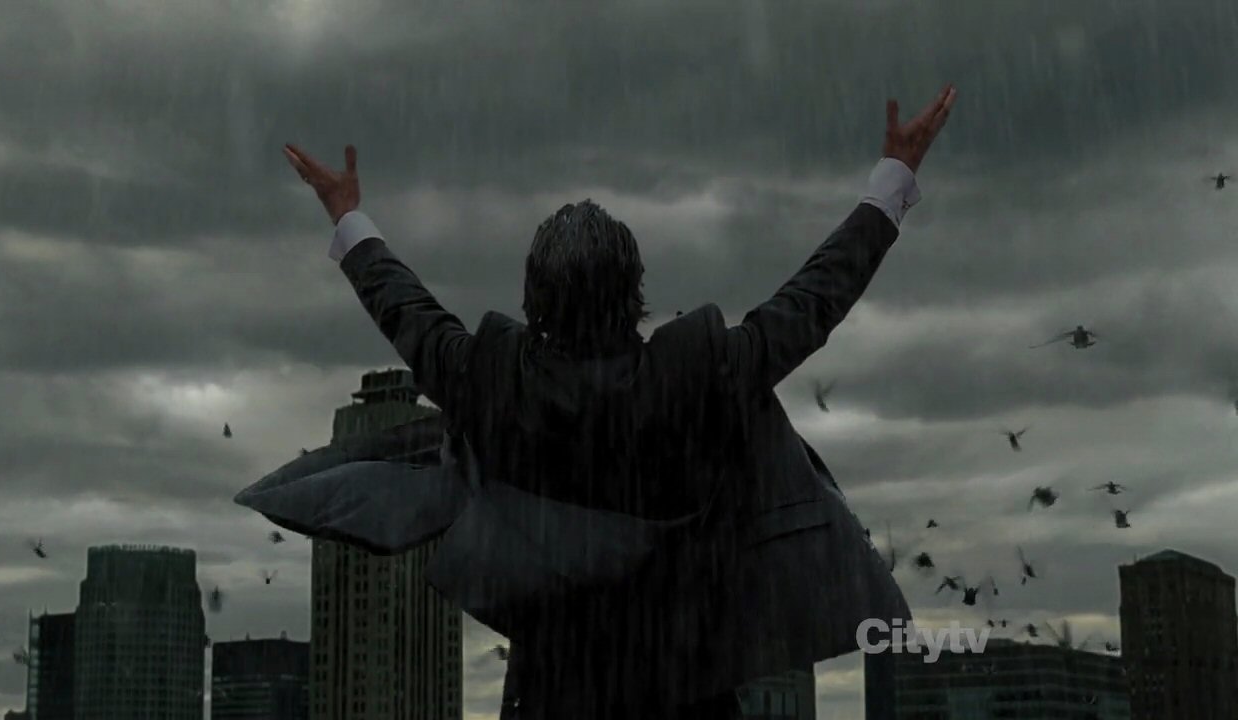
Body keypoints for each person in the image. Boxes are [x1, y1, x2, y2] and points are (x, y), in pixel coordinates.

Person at [240, 84, 956, 719]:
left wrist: (348, 217)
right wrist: (890, 183)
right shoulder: (695, 374)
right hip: (685, 698)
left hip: (553, 699)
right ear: (634, 290)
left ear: (534, 296)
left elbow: (408, 312)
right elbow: (813, 301)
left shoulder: (495, 382)